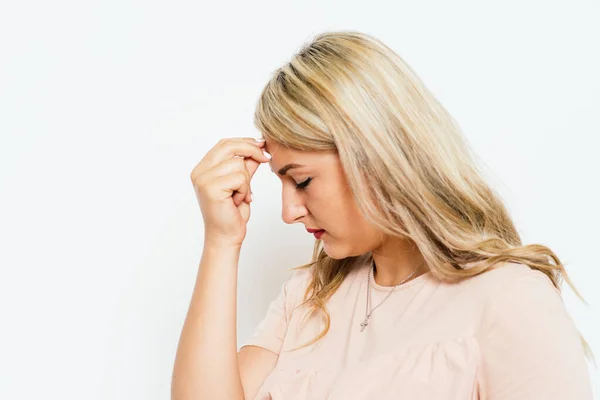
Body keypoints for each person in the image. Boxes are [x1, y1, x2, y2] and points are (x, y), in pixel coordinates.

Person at [171, 30, 595, 400]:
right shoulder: (306, 297)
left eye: (300, 181)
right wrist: (221, 241)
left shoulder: (509, 299)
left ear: (374, 158)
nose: (288, 212)